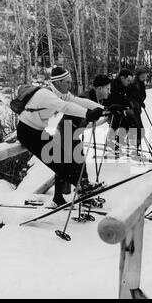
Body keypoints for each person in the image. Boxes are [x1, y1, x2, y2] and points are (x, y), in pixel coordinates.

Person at [17, 66, 105, 199]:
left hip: (38, 130)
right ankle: (81, 186)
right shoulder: (45, 94)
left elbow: (77, 101)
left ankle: (65, 194)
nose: (70, 85)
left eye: (70, 82)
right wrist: (88, 114)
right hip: (27, 132)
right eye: (67, 82)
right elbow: (65, 107)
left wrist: (103, 109)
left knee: (63, 158)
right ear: (57, 82)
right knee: (59, 160)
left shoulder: (60, 92)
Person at [52, 74, 112, 206]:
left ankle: (83, 195)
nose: (109, 91)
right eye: (108, 88)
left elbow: (85, 123)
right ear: (100, 88)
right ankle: (61, 197)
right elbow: (80, 115)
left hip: (73, 131)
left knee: (78, 165)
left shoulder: (95, 99)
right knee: (67, 164)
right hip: (66, 130)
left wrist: (103, 120)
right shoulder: (86, 98)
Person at [105, 69, 134, 153]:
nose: (129, 83)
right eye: (128, 80)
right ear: (122, 78)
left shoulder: (124, 86)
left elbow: (124, 98)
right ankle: (110, 142)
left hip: (119, 108)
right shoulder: (113, 85)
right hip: (110, 108)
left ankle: (118, 141)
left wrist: (129, 103)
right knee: (116, 119)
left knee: (128, 119)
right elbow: (111, 99)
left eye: (130, 81)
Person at [128, 66, 148, 155]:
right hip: (132, 111)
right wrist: (132, 103)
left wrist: (141, 102)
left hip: (137, 110)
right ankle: (133, 150)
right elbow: (128, 96)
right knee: (137, 130)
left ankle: (134, 149)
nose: (144, 77)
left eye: (145, 75)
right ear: (138, 75)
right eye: (142, 75)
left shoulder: (141, 83)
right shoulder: (132, 84)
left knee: (138, 130)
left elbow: (141, 96)